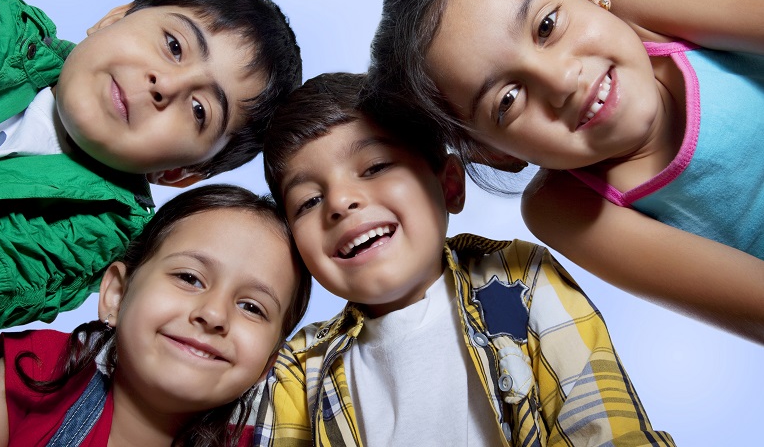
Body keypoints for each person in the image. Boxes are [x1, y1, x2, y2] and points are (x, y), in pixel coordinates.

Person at [367, 0, 764, 343]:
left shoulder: (642, 5)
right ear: (493, 153)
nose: (561, 82)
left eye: (547, 26)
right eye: (507, 100)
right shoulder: (563, 207)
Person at [254, 72, 673, 446]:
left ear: (450, 186)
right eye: (308, 200)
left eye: (376, 166)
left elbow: (603, 427)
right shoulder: (301, 366)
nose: (341, 203)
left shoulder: (520, 278)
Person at [0, 0, 302, 334]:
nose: (166, 84)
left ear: (179, 173)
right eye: (174, 45)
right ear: (113, 19)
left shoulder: (101, 233)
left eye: (199, 110)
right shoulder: (3, 27)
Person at [0, 184, 312, 447]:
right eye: (189, 278)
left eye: (252, 307)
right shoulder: (35, 367)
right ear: (116, 294)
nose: (213, 314)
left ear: (268, 363)